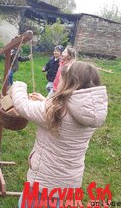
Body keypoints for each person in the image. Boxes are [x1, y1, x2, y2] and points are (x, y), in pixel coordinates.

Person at [10, 61, 108, 207]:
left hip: (44, 182)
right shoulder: (91, 112)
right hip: (70, 181)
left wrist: (19, 86)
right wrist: (45, 100)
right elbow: (67, 112)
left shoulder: (54, 111)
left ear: (69, 83)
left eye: (61, 79)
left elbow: (24, 106)